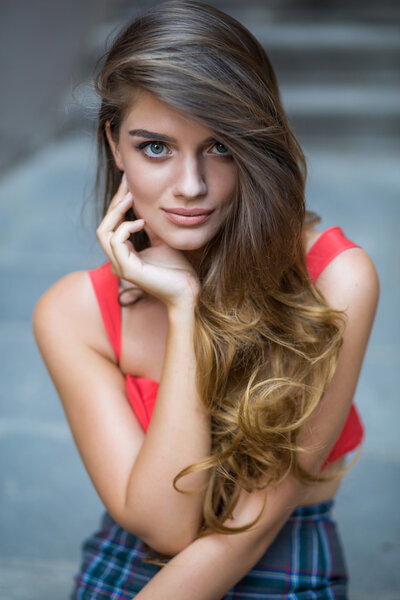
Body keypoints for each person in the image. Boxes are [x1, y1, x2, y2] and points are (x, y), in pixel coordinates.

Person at [33, 1, 379, 598]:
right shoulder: (75, 313)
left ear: (255, 145)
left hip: (281, 551)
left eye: (219, 146)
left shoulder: (333, 279)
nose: (190, 187)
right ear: (115, 145)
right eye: (156, 148)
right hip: (133, 557)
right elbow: (165, 527)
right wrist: (185, 308)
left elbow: (247, 530)